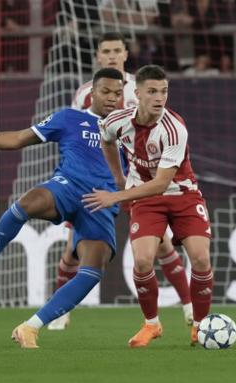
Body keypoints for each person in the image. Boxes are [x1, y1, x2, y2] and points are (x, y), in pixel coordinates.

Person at [0, 68, 125, 349]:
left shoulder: (128, 128)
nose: (111, 98)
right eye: (105, 91)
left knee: (91, 272)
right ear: (92, 93)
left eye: (117, 93)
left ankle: (30, 327)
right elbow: (18, 138)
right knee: (26, 203)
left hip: (102, 201)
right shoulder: (69, 118)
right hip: (68, 186)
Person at [49, 32, 193, 331]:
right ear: (98, 57)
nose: (112, 56)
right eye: (106, 51)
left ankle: (189, 308)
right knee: (73, 249)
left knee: (163, 245)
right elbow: (79, 134)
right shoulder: (84, 93)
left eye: (117, 50)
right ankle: (60, 311)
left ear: (126, 54)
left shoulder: (142, 90)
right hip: (96, 179)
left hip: (137, 179)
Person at [84, 65, 213, 348]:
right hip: (145, 199)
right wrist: (119, 179)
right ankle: (151, 324)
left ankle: (200, 326)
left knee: (201, 259)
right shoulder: (116, 121)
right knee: (142, 261)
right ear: (137, 94)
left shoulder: (174, 129)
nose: (159, 98)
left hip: (182, 195)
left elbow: (161, 183)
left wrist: (117, 196)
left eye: (164, 91)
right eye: (152, 92)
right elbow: (107, 141)